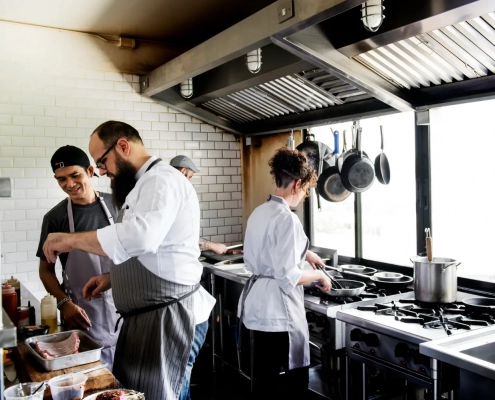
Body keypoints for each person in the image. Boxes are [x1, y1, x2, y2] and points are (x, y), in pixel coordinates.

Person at [42, 121, 215, 400]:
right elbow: (153, 251)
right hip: (150, 319)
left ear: (123, 146)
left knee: (163, 395)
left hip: (169, 317)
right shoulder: (143, 185)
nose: (101, 171)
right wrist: (113, 278)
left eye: (102, 161)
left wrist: (69, 240)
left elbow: (139, 239)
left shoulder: (161, 180)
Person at [237, 147, 332, 399]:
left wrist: (306, 253)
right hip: (278, 315)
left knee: (264, 383)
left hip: (256, 310)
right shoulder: (288, 219)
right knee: (294, 387)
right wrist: (321, 277)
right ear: (297, 183)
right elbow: (289, 276)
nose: (304, 195)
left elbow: (270, 252)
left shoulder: (260, 211)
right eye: (305, 190)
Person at [36, 145, 120, 370]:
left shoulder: (119, 204)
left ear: (90, 171)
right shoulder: (55, 218)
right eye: (61, 179)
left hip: (124, 309)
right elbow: (45, 270)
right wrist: (65, 304)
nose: (69, 185)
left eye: (75, 176)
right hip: (83, 315)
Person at [170, 155, 229, 255]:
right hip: (177, 259)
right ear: (183, 171)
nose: (189, 181)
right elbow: (185, 235)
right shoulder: (177, 195)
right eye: (190, 177)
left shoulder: (166, 190)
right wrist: (213, 246)